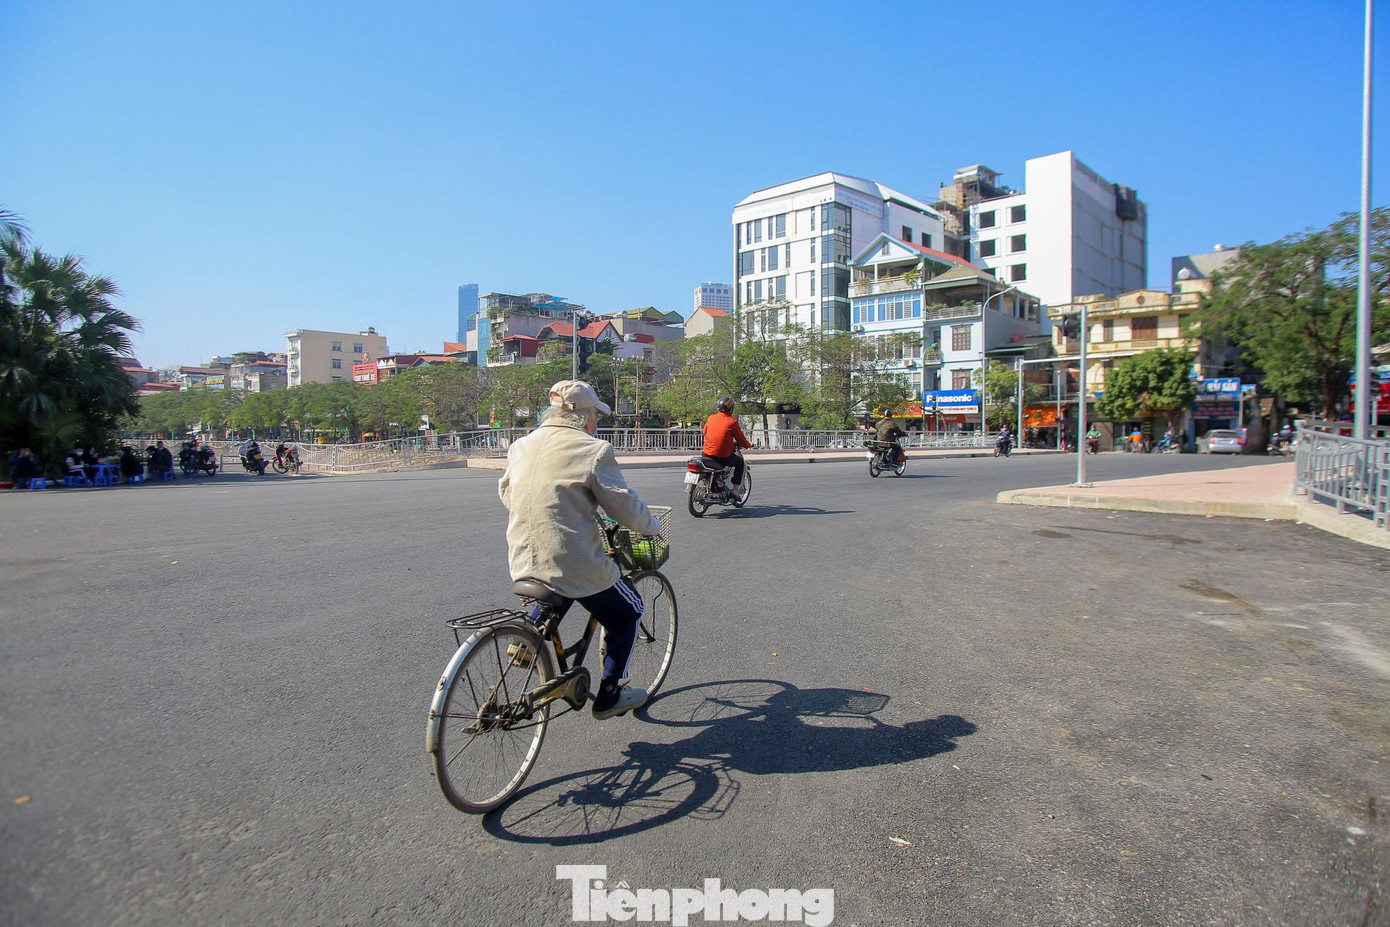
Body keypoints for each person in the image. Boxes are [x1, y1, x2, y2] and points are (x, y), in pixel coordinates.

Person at [498, 380, 662, 720]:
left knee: (559, 586)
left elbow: (507, 493)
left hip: (523, 555)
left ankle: (528, 638)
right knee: (628, 610)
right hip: (571, 560)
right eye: (595, 415)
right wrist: (651, 526)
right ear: (585, 416)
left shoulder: (521, 446)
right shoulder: (593, 450)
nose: (595, 422)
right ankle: (610, 695)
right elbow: (624, 507)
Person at [701, 397, 752, 494]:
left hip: (706, 454)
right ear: (731, 409)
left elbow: (704, 432)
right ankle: (735, 490)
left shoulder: (711, 418)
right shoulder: (732, 422)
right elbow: (741, 440)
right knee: (740, 463)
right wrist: (748, 445)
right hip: (721, 456)